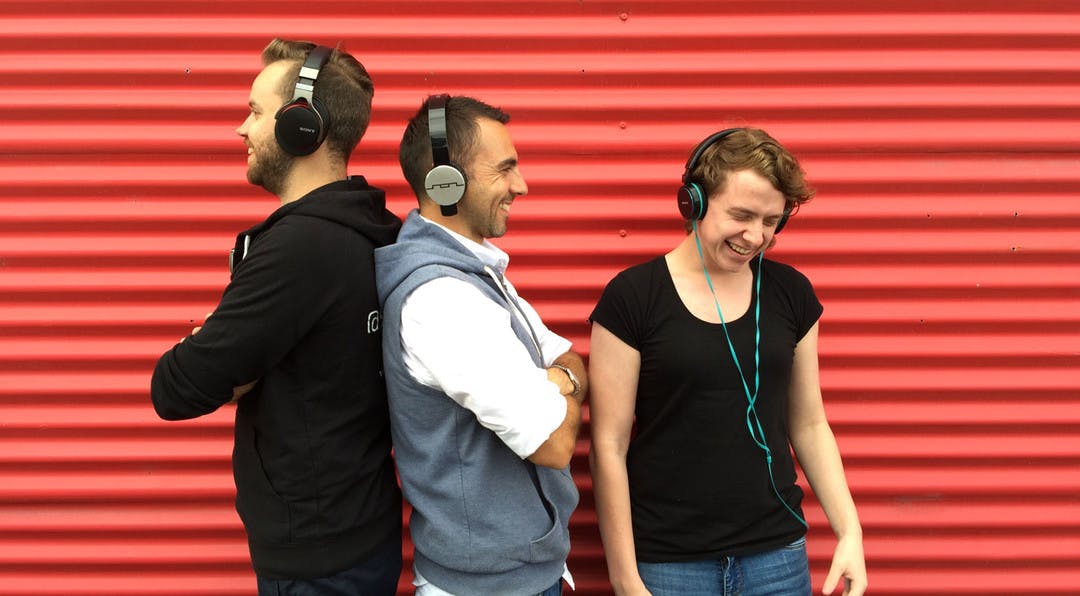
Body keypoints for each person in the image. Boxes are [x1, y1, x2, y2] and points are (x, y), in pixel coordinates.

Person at [150, 38, 403, 595]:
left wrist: (222, 355)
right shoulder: (370, 228)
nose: (242, 128)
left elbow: (174, 389)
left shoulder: (300, 249)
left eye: (256, 111)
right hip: (360, 530)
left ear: (301, 125)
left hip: (317, 562)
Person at [588, 128, 867, 596]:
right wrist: (625, 579)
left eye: (771, 221)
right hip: (669, 565)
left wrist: (850, 531)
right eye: (740, 215)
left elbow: (810, 424)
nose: (755, 236)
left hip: (777, 560)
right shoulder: (633, 297)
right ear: (693, 202)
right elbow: (607, 446)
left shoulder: (791, 294)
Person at [375, 94, 587, 596]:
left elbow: (567, 357)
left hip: (516, 576)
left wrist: (559, 380)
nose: (522, 185)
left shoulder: (479, 274)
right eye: (505, 169)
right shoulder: (443, 298)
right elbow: (553, 444)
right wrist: (561, 385)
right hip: (486, 587)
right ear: (444, 182)